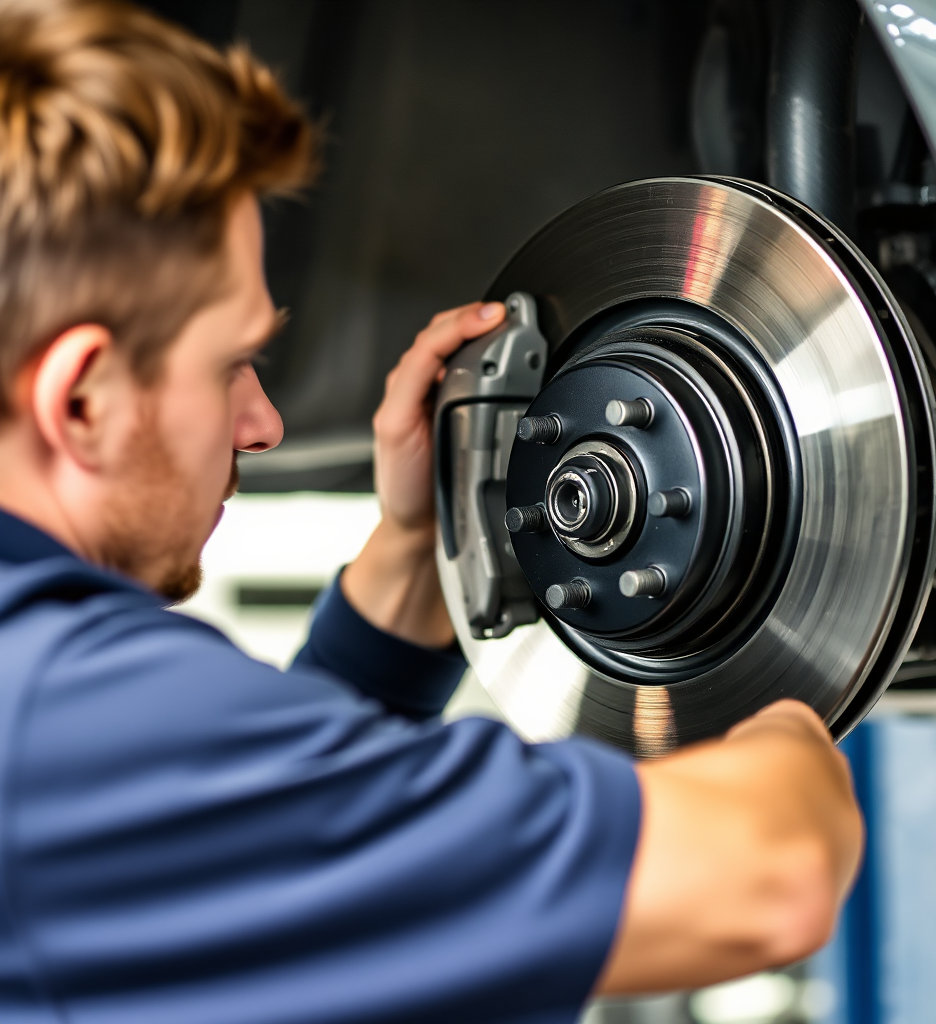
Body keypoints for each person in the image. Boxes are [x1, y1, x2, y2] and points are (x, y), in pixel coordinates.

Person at [0, 1, 863, 1021]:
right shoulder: (68, 723)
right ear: (81, 398)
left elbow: (263, 870)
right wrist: (793, 692)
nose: (263, 423)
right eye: (232, 362)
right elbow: (769, 875)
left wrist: (424, 542)